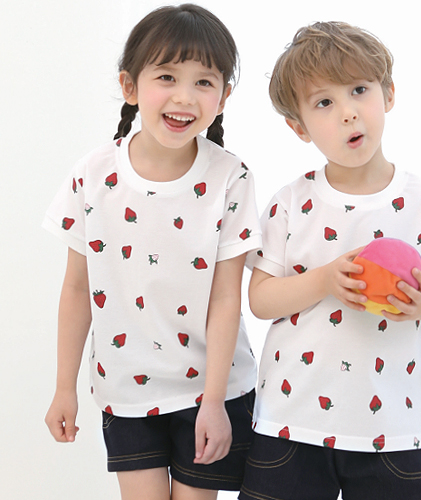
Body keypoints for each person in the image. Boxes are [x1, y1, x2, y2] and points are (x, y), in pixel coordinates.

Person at [240, 21, 421, 500]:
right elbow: (261, 300)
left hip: (396, 425)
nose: (348, 112)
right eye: (324, 103)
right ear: (299, 127)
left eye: (359, 90)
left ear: (388, 95)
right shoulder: (291, 202)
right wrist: (324, 280)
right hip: (293, 421)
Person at [43, 4, 262, 499]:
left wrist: (214, 403)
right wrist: (64, 387)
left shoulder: (231, 177)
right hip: (126, 390)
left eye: (204, 82)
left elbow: (227, 298)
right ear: (130, 86)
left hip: (212, 390)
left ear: (224, 97)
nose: (184, 96)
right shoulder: (93, 174)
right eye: (166, 76)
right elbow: (77, 289)